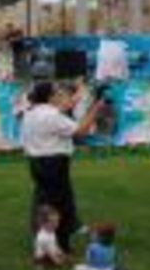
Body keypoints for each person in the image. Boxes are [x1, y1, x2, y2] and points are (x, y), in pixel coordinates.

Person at [22, 81, 102, 254]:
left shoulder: (31, 112)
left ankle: (45, 236)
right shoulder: (52, 115)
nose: (60, 96)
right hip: (54, 163)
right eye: (57, 93)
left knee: (43, 200)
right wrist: (95, 109)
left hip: (36, 162)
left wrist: (78, 96)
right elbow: (80, 131)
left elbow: (62, 109)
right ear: (50, 97)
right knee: (60, 203)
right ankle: (60, 243)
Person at [33, 205, 67, 270]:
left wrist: (60, 252)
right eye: (52, 222)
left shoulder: (51, 231)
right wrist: (58, 261)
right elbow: (49, 252)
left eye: (57, 221)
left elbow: (55, 244)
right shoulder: (43, 237)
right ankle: (40, 266)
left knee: (64, 257)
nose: (55, 224)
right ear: (43, 223)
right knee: (45, 262)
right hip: (44, 256)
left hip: (51, 251)